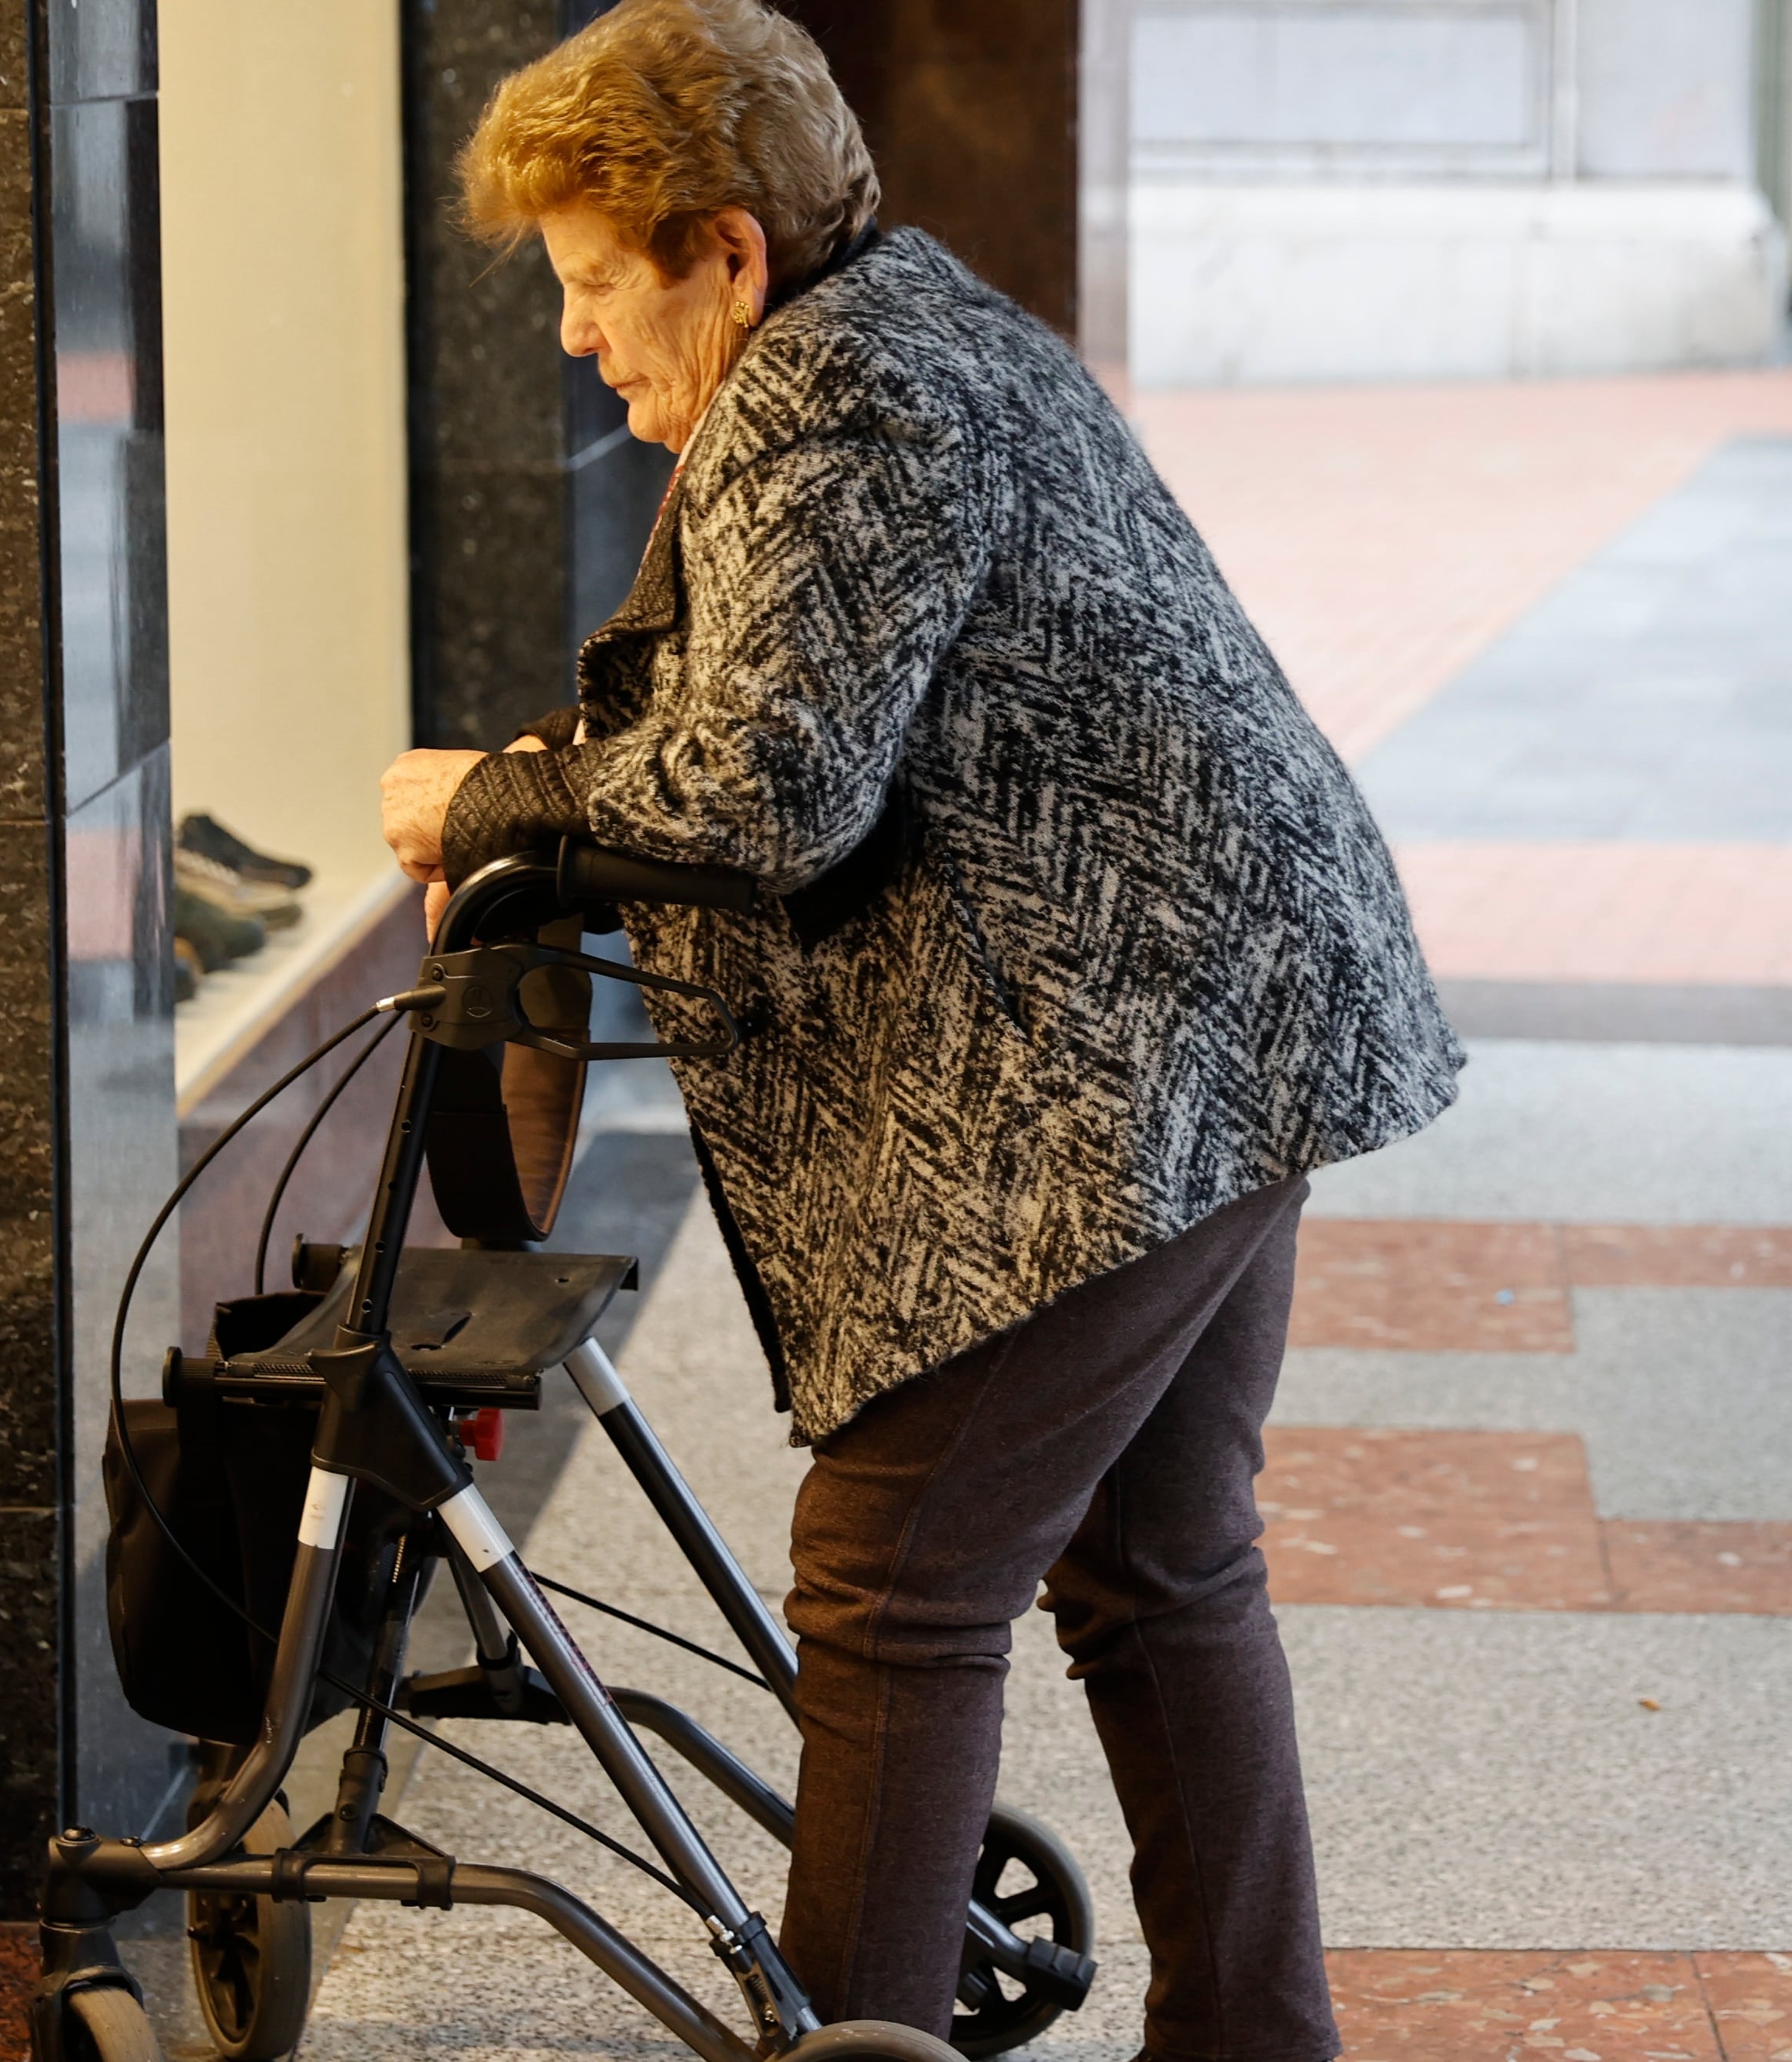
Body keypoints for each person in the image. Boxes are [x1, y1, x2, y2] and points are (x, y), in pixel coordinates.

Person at [378, 3, 1461, 2053]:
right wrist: (558, 782)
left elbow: (773, 791)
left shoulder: (840, 385)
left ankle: (867, 2039)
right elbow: (804, 718)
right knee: (1161, 1566)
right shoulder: (906, 330)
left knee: (897, 1581)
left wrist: (491, 802)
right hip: (1228, 1019)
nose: (574, 333)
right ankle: (1260, 2036)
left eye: (600, 283)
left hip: (1131, 1064)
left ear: (729, 253)